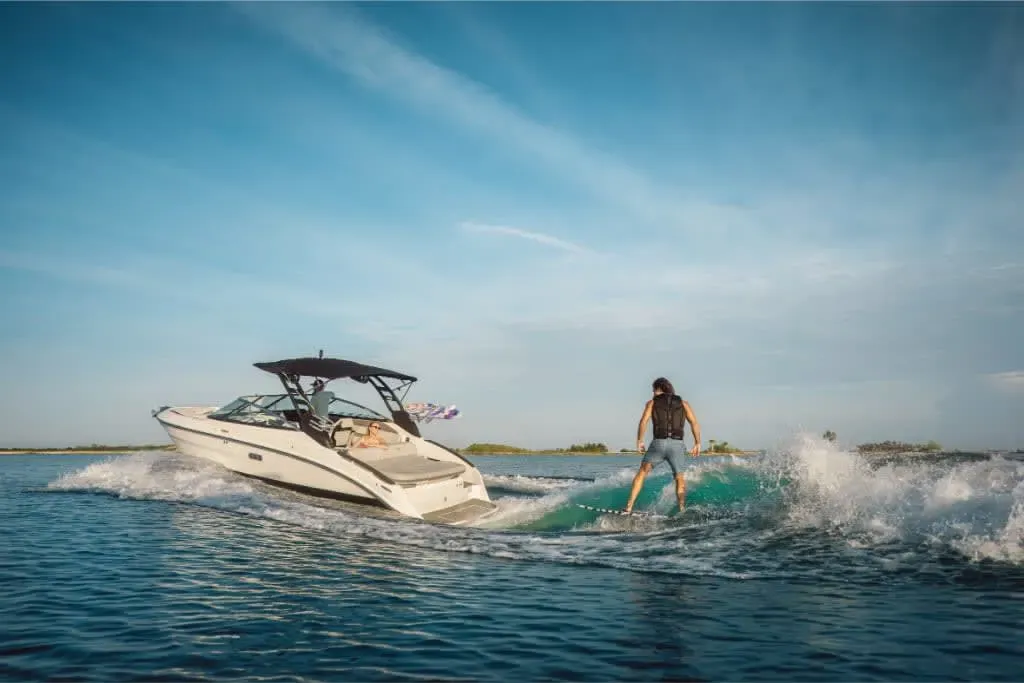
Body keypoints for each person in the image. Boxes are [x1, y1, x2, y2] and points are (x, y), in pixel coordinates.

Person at [624, 377, 701, 514]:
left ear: (659, 389)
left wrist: (640, 440)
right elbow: (694, 423)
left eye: (654, 390)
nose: (653, 393)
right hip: (677, 445)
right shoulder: (684, 403)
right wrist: (697, 442)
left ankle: (629, 507)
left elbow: (643, 421)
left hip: (658, 444)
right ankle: (682, 509)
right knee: (679, 478)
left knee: (642, 473)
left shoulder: (652, 403)